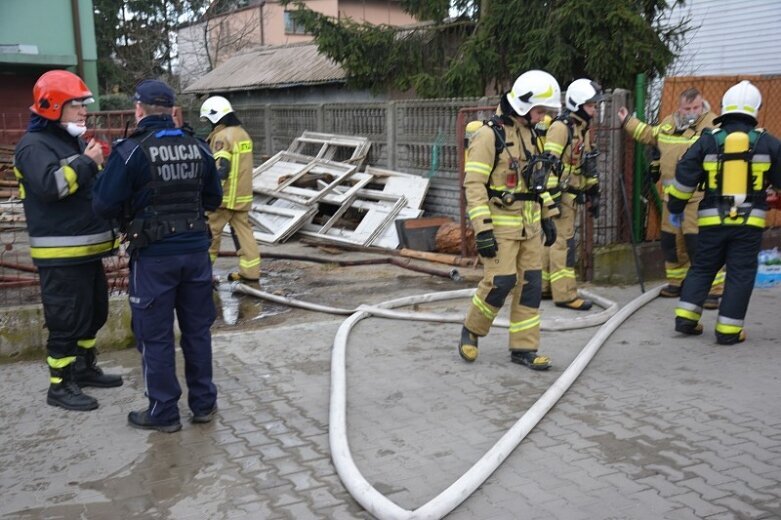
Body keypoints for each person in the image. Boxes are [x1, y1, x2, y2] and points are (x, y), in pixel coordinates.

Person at [93, 80, 223, 432]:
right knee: (197, 332)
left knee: (156, 337)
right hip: (196, 253)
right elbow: (213, 199)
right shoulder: (199, 147)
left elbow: (102, 203)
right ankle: (204, 405)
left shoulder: (131, 151)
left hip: (153, 258)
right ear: (172, 111)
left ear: (138, 110)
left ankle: (164, 413)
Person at [13, 70, 122, 412]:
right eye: (76, 106)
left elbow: (85, 189)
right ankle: (60, 386)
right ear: (53, 107)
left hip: (86, 250)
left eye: (83, 105)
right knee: (65, 321)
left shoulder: (70, 141)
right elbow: (51, 187)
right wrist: (88, 163)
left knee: (93, 313)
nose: (83, 112)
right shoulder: (33, 147)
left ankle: (83, 367)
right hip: (60, 254)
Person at [458, 70, 561, 370]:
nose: (544, 117)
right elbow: (474, 185)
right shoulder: (489, 135)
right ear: (523, 106)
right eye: (540, 110)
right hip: (500, 228)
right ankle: (472, 330)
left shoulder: (533, 134)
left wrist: (548, 215)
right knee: (500, 283)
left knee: (530, 287)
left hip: (529, 229)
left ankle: (523, 349)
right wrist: (482, 231)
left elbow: (537, 182)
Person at [667, 80, 781, 345]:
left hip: (711, 219)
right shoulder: (768, 143)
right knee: (740, 272)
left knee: (704, 266)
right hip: (749, 222)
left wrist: (675, 208)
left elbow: (684, 178)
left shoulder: (708, 140)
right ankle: (729, 331)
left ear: (724, 108)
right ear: (756, 109)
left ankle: (686, 318)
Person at [618, 88, 723, 308]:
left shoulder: (713, 125)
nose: (693, 112)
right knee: (671, 242)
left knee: (699, 243)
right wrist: (627, 120)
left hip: (699, 198)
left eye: (696, 107)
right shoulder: (668, 123)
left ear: (702, 104)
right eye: (688, 108)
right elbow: (649, 134)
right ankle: (677, 282)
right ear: (679, 107)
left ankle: (712, 290)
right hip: (672, 200)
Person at [541, 78, 604, 310]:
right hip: (561, 196)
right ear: (577, 104)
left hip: (571, 195)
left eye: (595, 106)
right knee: (563, 245)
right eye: (590, 106)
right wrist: (552, 199)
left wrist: (593, 190)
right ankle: (565, 295)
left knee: (552, 242)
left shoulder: (580, 128)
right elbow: (548, 165)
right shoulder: (561, 128)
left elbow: (586, 164)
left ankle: (545, 288)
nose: (594, 111)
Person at [199, 96, 260, 282]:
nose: (208, 124)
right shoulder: (243, 134)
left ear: (216, 117)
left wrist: (208, 193)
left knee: (210, 237)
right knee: (245, 235)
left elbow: (221, 169)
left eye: (209, 120)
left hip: (223, 199)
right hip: (242, 198)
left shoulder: (221, 137)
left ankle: (201, 275)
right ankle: (251, 273)